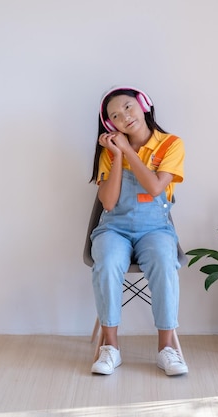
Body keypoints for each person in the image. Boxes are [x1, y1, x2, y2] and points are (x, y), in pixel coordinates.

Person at [89, 85, 188, 376]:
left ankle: (167, 349)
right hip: (114, 228)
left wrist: (128, 150)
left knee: (163, 262)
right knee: (106, 262)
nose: (124, 117)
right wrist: (117, 155)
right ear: (110, 125)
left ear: (144, 104)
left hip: (155, 228)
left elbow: (156, 187)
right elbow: (108, 201)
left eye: (128, 107)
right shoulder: (109, 153)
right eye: (115, 116)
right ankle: (110, 348)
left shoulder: (171, 144)